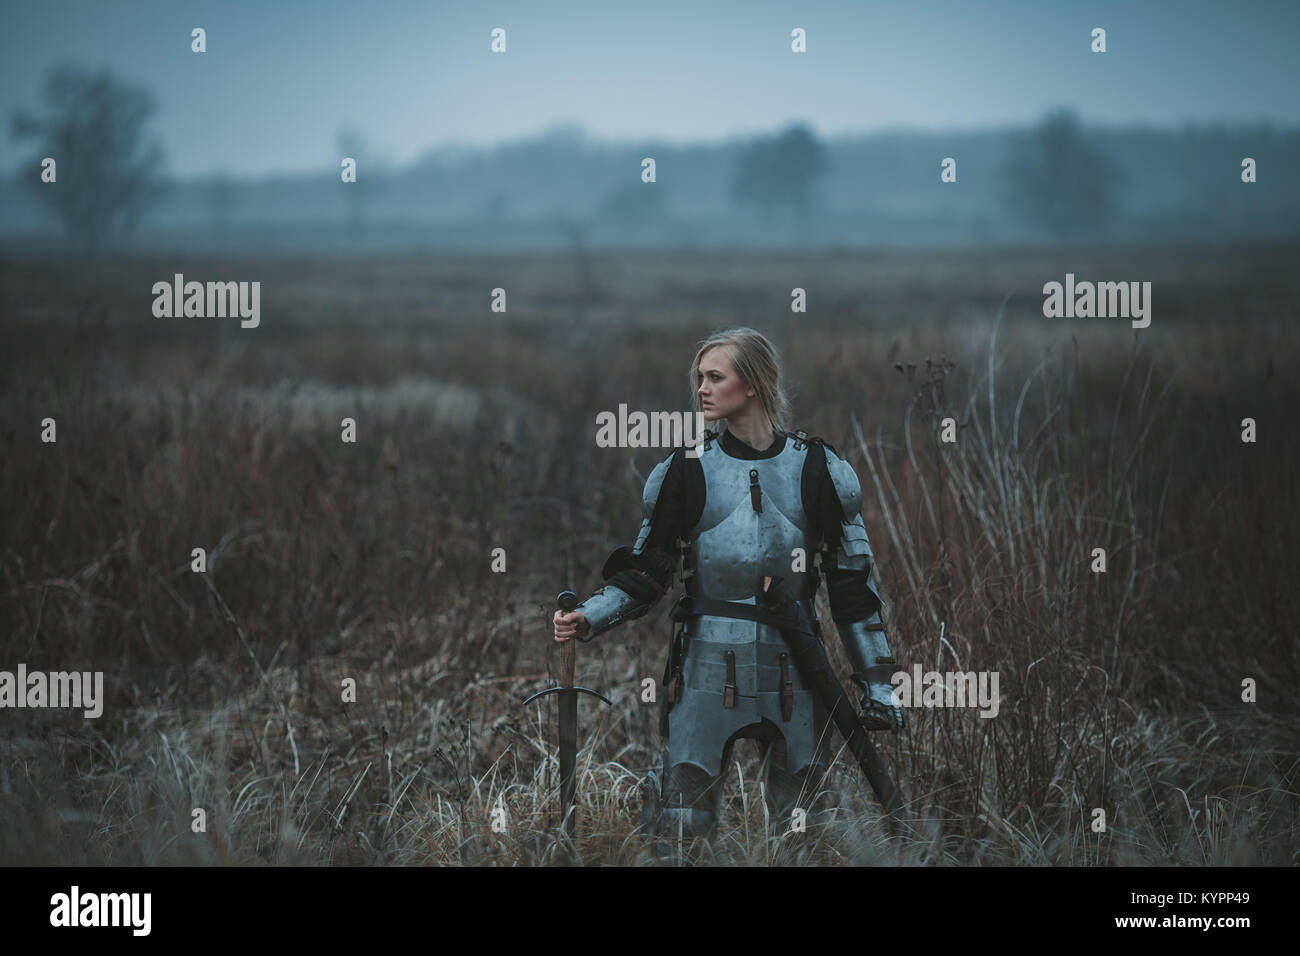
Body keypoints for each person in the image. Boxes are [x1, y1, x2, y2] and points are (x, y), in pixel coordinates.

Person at [552, 327, 903, 848]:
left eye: (716, 376)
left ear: (755, 384)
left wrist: (879, 684)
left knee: (805, 833)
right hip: (705, 668)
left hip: (797, 665)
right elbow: (648, 573)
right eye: (699, 377)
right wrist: (590, 616)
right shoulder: (684, 470)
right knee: (683, 829)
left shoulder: (819, 468)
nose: (702, 388)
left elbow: (852, 587)